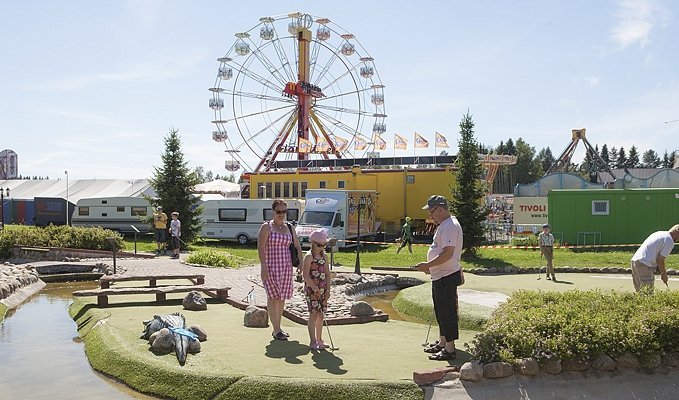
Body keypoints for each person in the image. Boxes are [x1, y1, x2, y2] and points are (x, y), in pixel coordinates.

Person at [415, 195, 464, 361]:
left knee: (447, 312)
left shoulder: (450, 226)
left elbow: (448, 253)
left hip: (446, 276)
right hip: (441, 275)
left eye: (432, 210)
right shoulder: (444, 225)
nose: (430, 214)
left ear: (441, 208)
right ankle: (443, 342)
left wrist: (428, 265)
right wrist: (431, 266)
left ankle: (450, 349)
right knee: (441, 311)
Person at [257, 199, 303, 341]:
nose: (281, 214)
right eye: (279, 211)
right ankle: (276, 329)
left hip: (286, 267)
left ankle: (279, 327)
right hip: (271, 267)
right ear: (273, 211)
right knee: (273, 296)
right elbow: (261, 247)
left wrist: (301, 263)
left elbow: (297, 246)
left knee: (281, 297)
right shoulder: (267, 227)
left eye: (284, 211)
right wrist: (263, 266)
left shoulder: (289, 227)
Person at [302, 229, 331, 350]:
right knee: (313, 314)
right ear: (313, 243)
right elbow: (305, 275)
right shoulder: (309, 257)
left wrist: (328, 290)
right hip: (311, 290)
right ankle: (312, 341)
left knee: (321, 314)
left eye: (324, 245)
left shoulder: (325, 256)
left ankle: (320, 339)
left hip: (323, 289)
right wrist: (314, 288)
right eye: (319, 245)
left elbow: (328, 274)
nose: (321, 247)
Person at [631, 224, 679, 292]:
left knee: (639, 292)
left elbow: (654, 253)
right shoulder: (669, 241)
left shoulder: (659, 233)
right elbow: (660, 260)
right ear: (677, 231)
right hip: (645, 264)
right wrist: (664, 274)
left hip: (635, 261)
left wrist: (657, 268)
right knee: (647, 293)